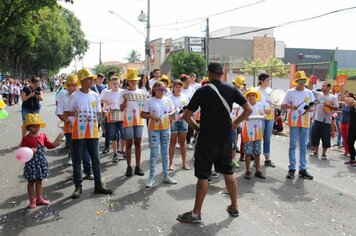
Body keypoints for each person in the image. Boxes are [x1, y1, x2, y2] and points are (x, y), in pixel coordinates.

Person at [177, 62, 252, 223]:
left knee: (203, 176)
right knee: (228, 173)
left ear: (210, 74)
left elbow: (187, 116)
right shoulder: (232, 89)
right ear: (222, 74)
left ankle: (196, 213)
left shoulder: (202, 91)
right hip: (225, 139)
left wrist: (197, 128)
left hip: (206, 140)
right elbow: (249, 109)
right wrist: (234, 123)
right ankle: (234, 206)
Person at [65, 68, 113, 199]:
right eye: (89, 79)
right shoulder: (75, 96)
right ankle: (78, 186)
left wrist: (102, 125)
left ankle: (98, 185)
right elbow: (67, 112)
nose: (92, 81)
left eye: (92, 79)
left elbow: (98, 112)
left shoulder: (95, 95)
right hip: (78, 133)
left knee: (95, 159)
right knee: (77, 160)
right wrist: (73, 115)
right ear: (82, 81)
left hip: (93, 132)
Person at [140, 81, 178, 188]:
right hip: (154, 130)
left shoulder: (168, 100)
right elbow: (142, 114)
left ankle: (166, 176)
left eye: (165, 90)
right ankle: (151, 178)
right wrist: (152, 117)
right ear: (155, 89)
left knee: (165, 154)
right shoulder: (149, 101)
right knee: (154, 154)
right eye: (161, 89)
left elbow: (172, 112)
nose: (163, 92)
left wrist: (173, 115)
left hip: (166, 129)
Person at [21, 114, 61, 208]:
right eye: (34, 126)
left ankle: (39, 198)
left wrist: (55, 144)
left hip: (41, 162)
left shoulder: (42, 136)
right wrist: (30, 151)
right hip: (31, 164)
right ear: (28, 127)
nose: (37, 127)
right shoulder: (26, 139)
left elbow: (49, 145)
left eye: (38, 125)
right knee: (31, 182)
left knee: (39, 181)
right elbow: (22, 152)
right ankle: (32, 201)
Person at [281, 71, 314, 180]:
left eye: (304, 80)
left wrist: (310, 109)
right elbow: (283, 105)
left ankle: (302, 169)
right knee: (292, 145)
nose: (302, 82)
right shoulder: (290, 92)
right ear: (296, 81)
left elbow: (312, 106)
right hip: (294, 121)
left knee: (304, 145)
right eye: (300, 80)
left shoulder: (309, 93)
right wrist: (291, 107)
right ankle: (292, 168)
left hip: (305, 121)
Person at [119, 68, 147, 177]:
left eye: (135, 80)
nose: (133, 82)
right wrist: (125, 100)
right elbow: (121, 108)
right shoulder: (123, 93)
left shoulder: (142, 92)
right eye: (131, 80)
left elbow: (145, 105)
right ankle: (129, 167)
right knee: (129, 144)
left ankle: (138, 167)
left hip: (139, 120)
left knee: (138, 143)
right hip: (128, 120)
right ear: (127, 81)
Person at [100, 76, 126, 162]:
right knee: (113, 136)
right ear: (110, 84)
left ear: (120, 83)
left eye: (117, 83)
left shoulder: (123, 92)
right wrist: (105, 105)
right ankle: (115, 153)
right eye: (114, 84)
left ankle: (122, 151)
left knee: (124, 134)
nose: (116, 85)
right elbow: (101, 101)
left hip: (122, 115)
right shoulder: (106, 92)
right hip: (111, 115)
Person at [309, 82, 338, 159]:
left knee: (325, 137)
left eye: (324, 86)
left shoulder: (333, 97)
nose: (322, 87)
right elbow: (310, 89)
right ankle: (315, 152)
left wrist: (328, 105)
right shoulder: (319, 94)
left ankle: (324, 154)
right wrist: (310, 81)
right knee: (315, 136)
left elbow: (336, 108)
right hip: (317, 119)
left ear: (329, 88)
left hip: (326, 121)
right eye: (322, 86)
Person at [241, 87, 265, 179]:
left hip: (258, 132)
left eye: (253, 95)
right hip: (248, 132)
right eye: (249, 95)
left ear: (256, 96)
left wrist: (265, 115)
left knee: (257, 152)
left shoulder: (259, 105)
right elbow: (241, 116)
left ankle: (257, 170)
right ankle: (247, 171)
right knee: (248, 152)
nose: (251, 97)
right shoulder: (245, 106)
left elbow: (263, 114)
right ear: (247, 97)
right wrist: (244, 117)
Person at [168, 80, 190, 171]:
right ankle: (171, 163)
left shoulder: (185, 97)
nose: (178, 89)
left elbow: (188, 109)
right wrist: (171, 115)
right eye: (176, 87)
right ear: (173, 87)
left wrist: (184, 113)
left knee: (183, 143)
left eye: (180, 87)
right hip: (173, 122)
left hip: (183, 121)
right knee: (172, 143)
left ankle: (184, 163)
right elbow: (167, 111)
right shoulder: (169, 98)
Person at [257, 73, 276, 167]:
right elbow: (253, 104)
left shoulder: (271, 91)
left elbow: (275, 102)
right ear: (261, 80)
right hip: (260, 117)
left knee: (267, 138)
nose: (268, 82)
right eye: (266, 80)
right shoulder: (256, 91)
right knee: (259, 138)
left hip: (270, 117)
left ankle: (267, 159)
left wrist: (271, 109)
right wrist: (262, 111)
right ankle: (256, 158)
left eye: (269, 80)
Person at [339, 89, 356, 166]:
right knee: (349, 143)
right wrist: (341, 89)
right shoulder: (353, 103)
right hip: (352, 127)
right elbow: (344, 99)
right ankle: (352, 159)